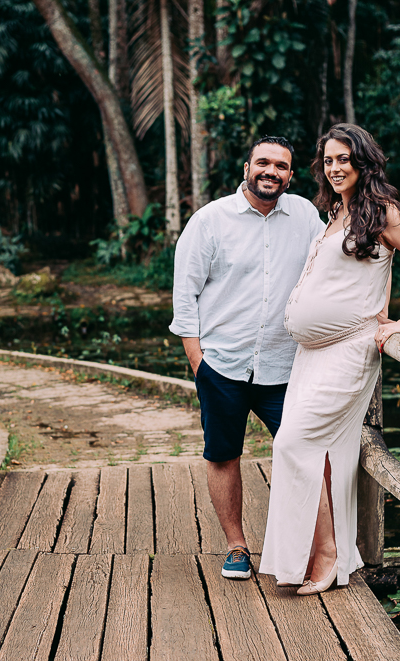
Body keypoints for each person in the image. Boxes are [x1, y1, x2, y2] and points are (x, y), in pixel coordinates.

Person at [260, 124, 400, 595]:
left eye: (343, 158)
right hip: (311, 355)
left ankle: (326, 557)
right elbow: (365, 277)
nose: (335, 167)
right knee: (317, 456)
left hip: (349, 351)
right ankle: (322, 555)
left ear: (363, 161)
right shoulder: (336, 214)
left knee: (291, 444)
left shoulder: (382, 213)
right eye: (328, 160)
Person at [170, 136, 326, 580]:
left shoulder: (305, 218)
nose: (270, 171)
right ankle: (237, 547)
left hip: (286, 366)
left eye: (281, 166)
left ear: (291, 176)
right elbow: (186, 298)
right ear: (246, 168)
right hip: (222, 364)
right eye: (263, 163)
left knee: (304, 453)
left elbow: (330, 270)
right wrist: (199, 364)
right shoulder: (209, 221)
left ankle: (315, 549)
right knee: (224, 455)